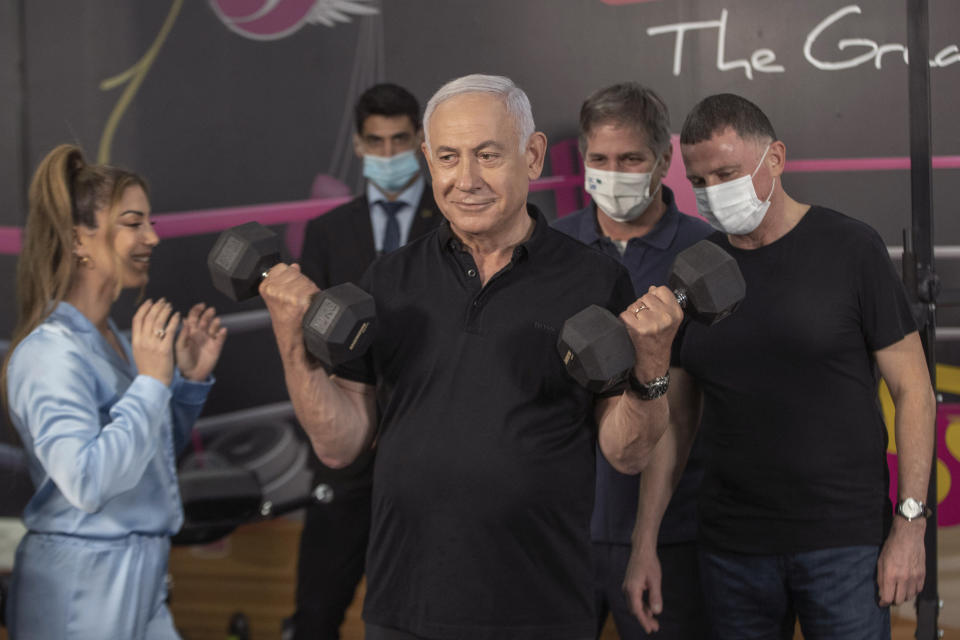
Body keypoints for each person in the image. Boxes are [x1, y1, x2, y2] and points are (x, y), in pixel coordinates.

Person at [259, 74, 683, 640]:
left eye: (487, 154)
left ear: (532, 156)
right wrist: (292, 341)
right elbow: (340, 447)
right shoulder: (388, 279)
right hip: (403, 605)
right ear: (428, 162)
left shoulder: (595, 279)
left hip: (540, 608)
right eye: (449, 158)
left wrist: (651, 366)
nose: (466, 180)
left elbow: (626, 454)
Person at [652, 93, 936, 638]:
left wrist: (910, 524)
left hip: (844, 545)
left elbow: (914, 392)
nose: (713, 193)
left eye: (728, 173)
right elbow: (676, 421)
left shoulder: (851, 248)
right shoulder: (692, 270)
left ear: (775, 158)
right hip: (730, 547)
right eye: (701, 180)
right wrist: (645, 542)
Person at [1, 144, 227, 639]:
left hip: (141, 578)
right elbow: (87, 482)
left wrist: (183, 383)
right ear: (79, 238)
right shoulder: (50, 353)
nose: (152, 237)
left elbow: (144, 458)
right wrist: (150, 381)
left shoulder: (116, 342)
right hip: (81, 591)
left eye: (151, 222)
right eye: (133, 222)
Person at [553, 82, 713, 638]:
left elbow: (684, 409)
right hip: (560, 531)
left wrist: (645, 542)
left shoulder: (704, 253)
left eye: (631, 159)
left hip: (670, 536)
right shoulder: (551, 248)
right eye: (599, 159)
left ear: (663, 160)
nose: (613, 172)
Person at [292, 82, 442, 640]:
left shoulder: (454, 224)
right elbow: (312, 340)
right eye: (375, 142)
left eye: (399, 140)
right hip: (346, 456)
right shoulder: (328, 232)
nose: (387, 155)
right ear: (357, 145)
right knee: (315, 611)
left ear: (421, 142)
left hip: (429, 449)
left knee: (420, 615)